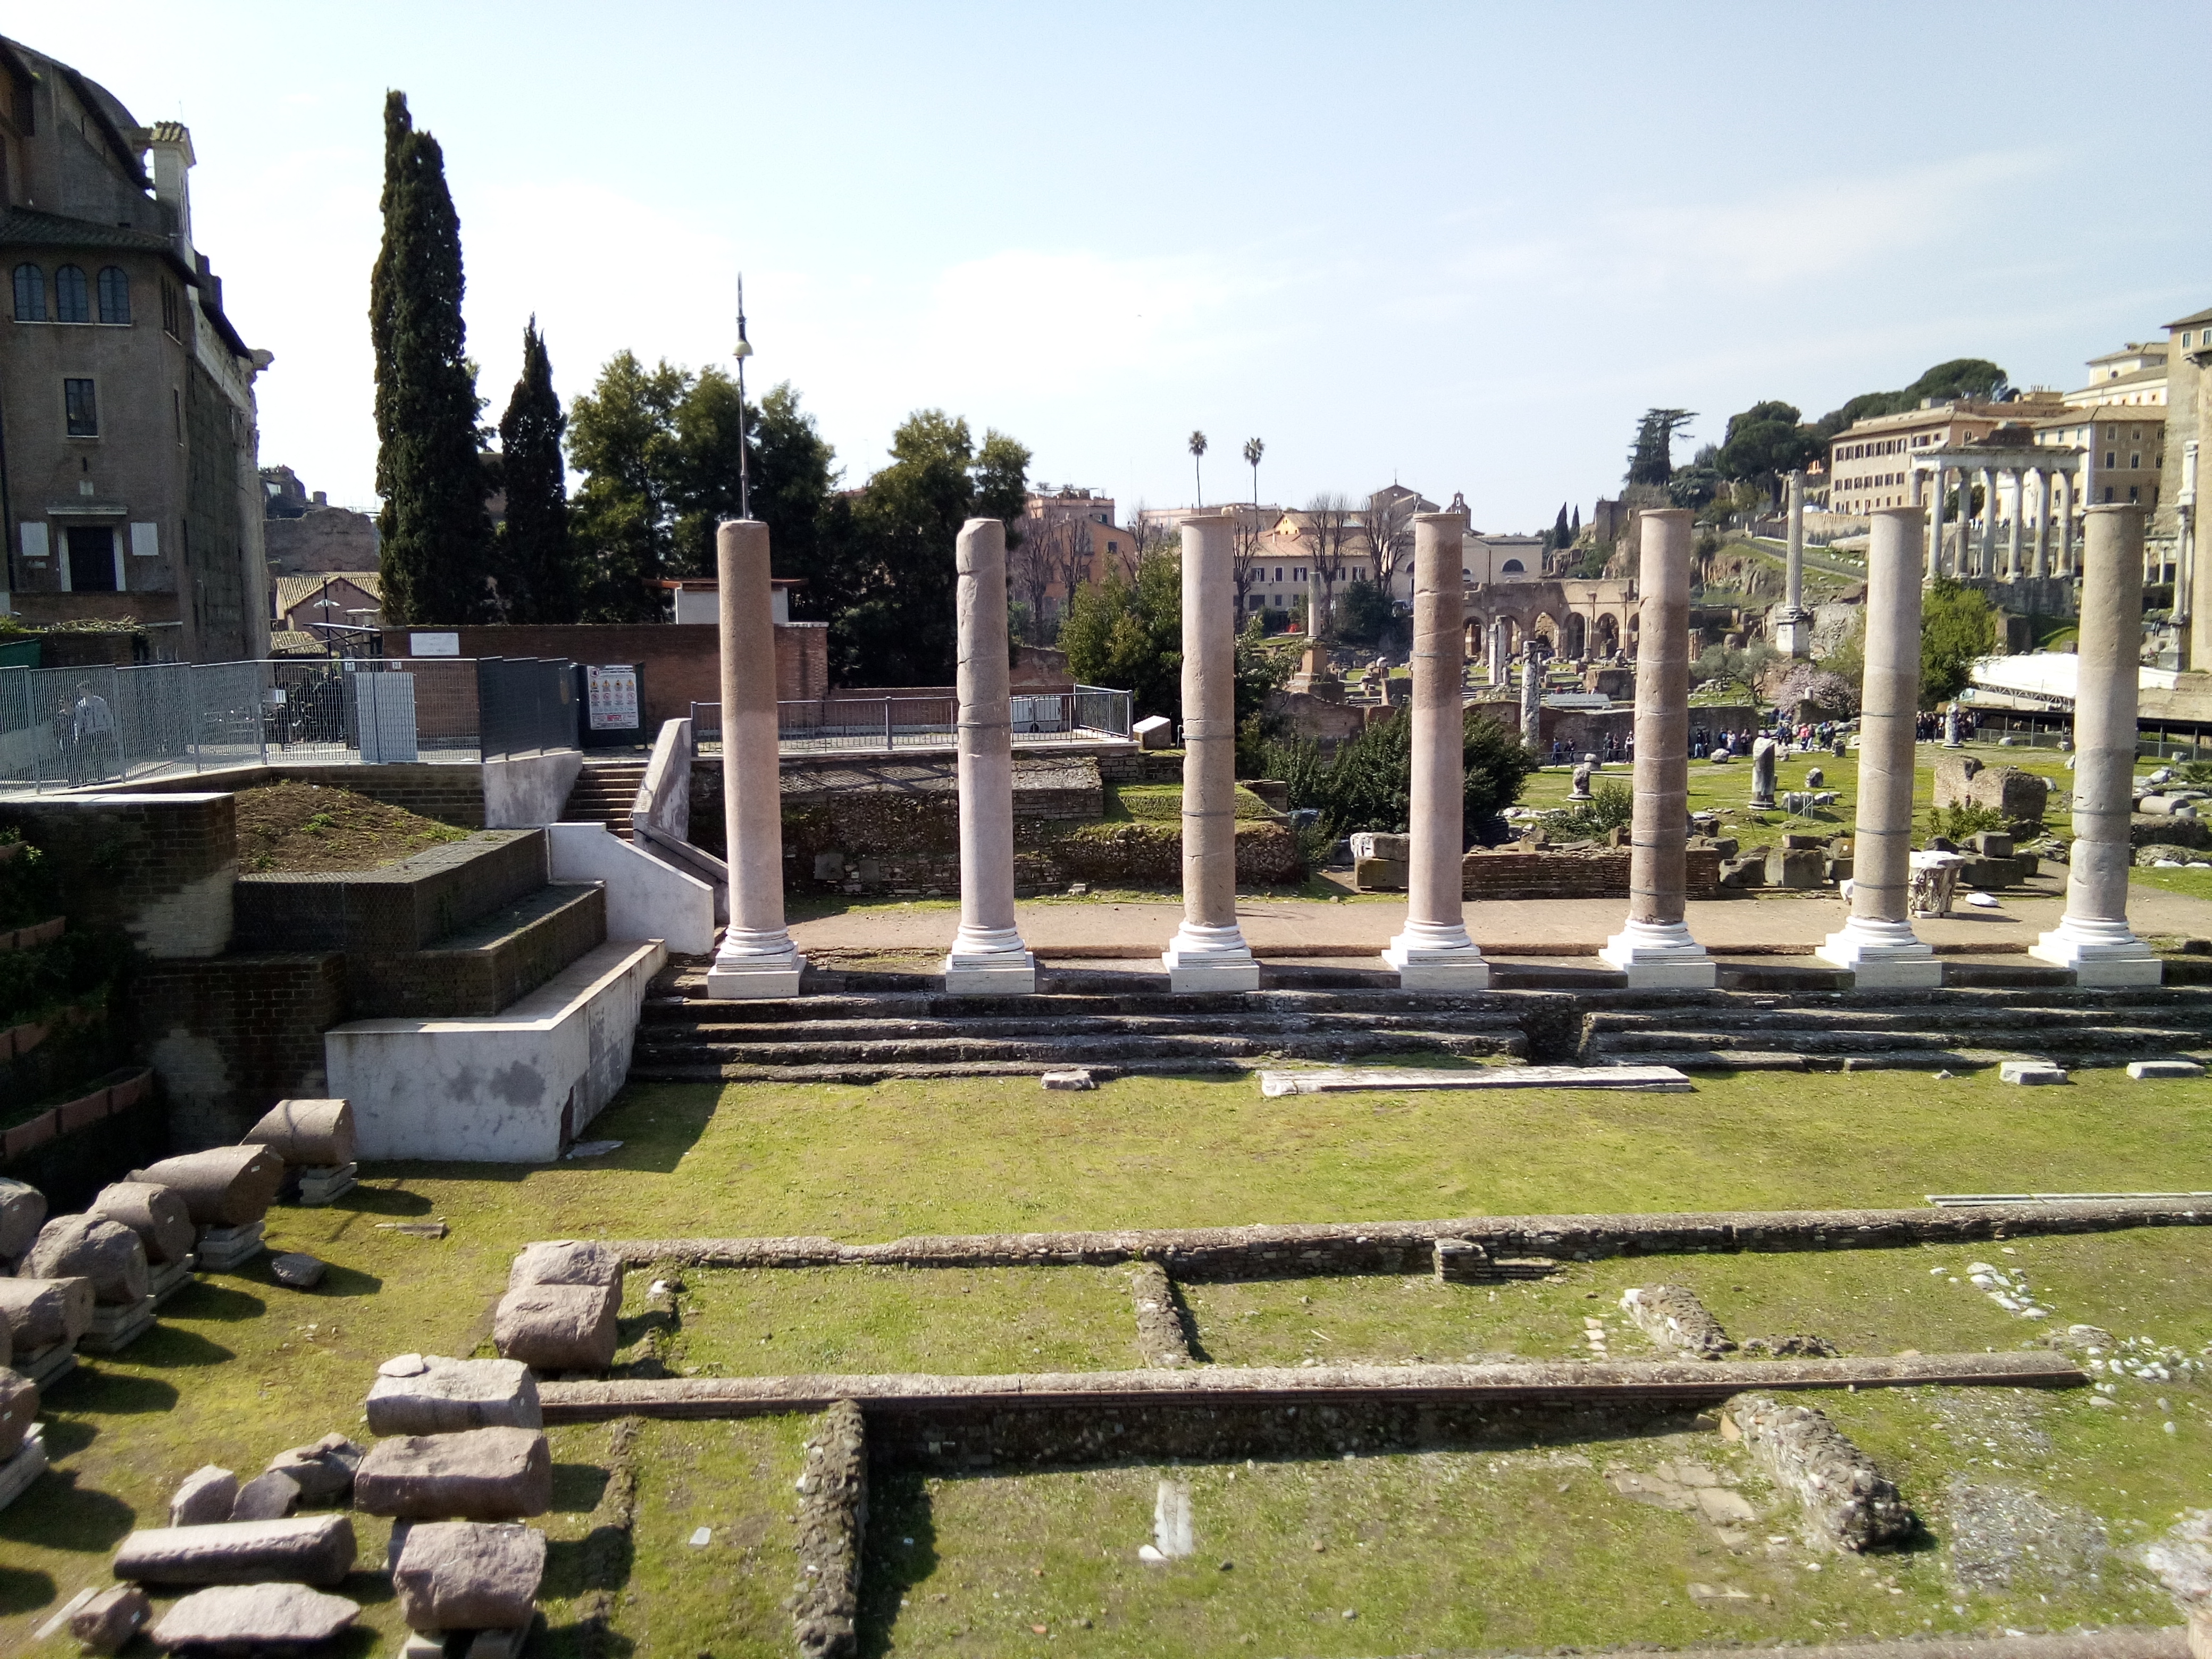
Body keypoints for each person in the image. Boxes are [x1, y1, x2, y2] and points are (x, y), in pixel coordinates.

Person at [72, 681, 118, 783]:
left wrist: (113, 732)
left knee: (99, 754)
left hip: (100, 731)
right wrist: (77, 735)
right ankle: (86, 778)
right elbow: (78, 721)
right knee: (87, 755)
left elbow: (108, 717)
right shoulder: (81, 705)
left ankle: (101, 777)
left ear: (87, 689)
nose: (80, 692)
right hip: (88, 732)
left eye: (81, 689)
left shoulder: (99, 701)